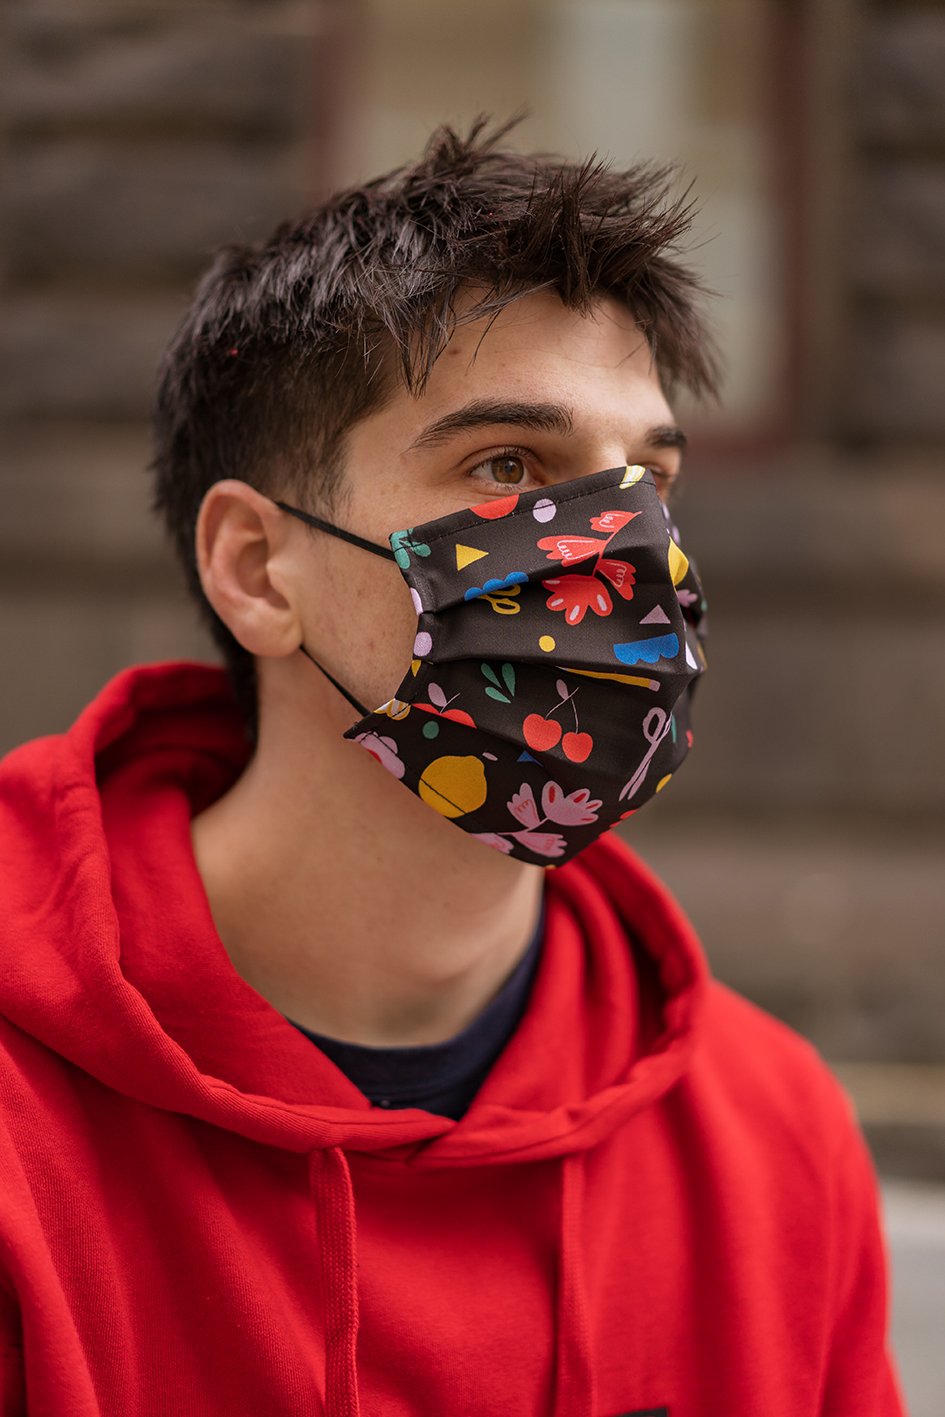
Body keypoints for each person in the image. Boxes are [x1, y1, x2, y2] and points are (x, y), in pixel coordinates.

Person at [0, 118, 904, 1416]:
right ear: (258, 569)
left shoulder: (773, 1141)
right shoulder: (24, 1137)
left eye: (647, 480)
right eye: (507, 467)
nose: (620, 551)